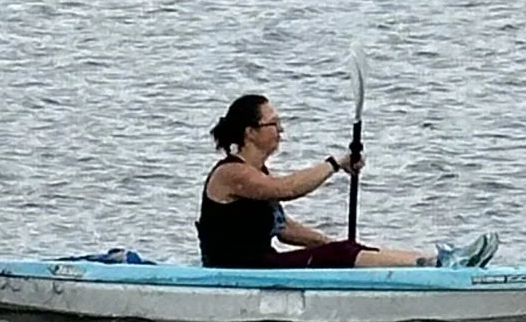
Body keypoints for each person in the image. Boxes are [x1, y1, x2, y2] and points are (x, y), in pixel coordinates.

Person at [196, 94, 496, 270]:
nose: (281, 130)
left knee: (345, 249)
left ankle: (434, 262)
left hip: (259, 265)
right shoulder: (231, 174)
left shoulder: (259, 172)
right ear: (250, 132)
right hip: (236, 270)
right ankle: (437, 265)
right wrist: (334, 164)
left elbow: (283, 228)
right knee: (340, 254)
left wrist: (330, 245)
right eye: (273, 124)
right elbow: (287, 190)